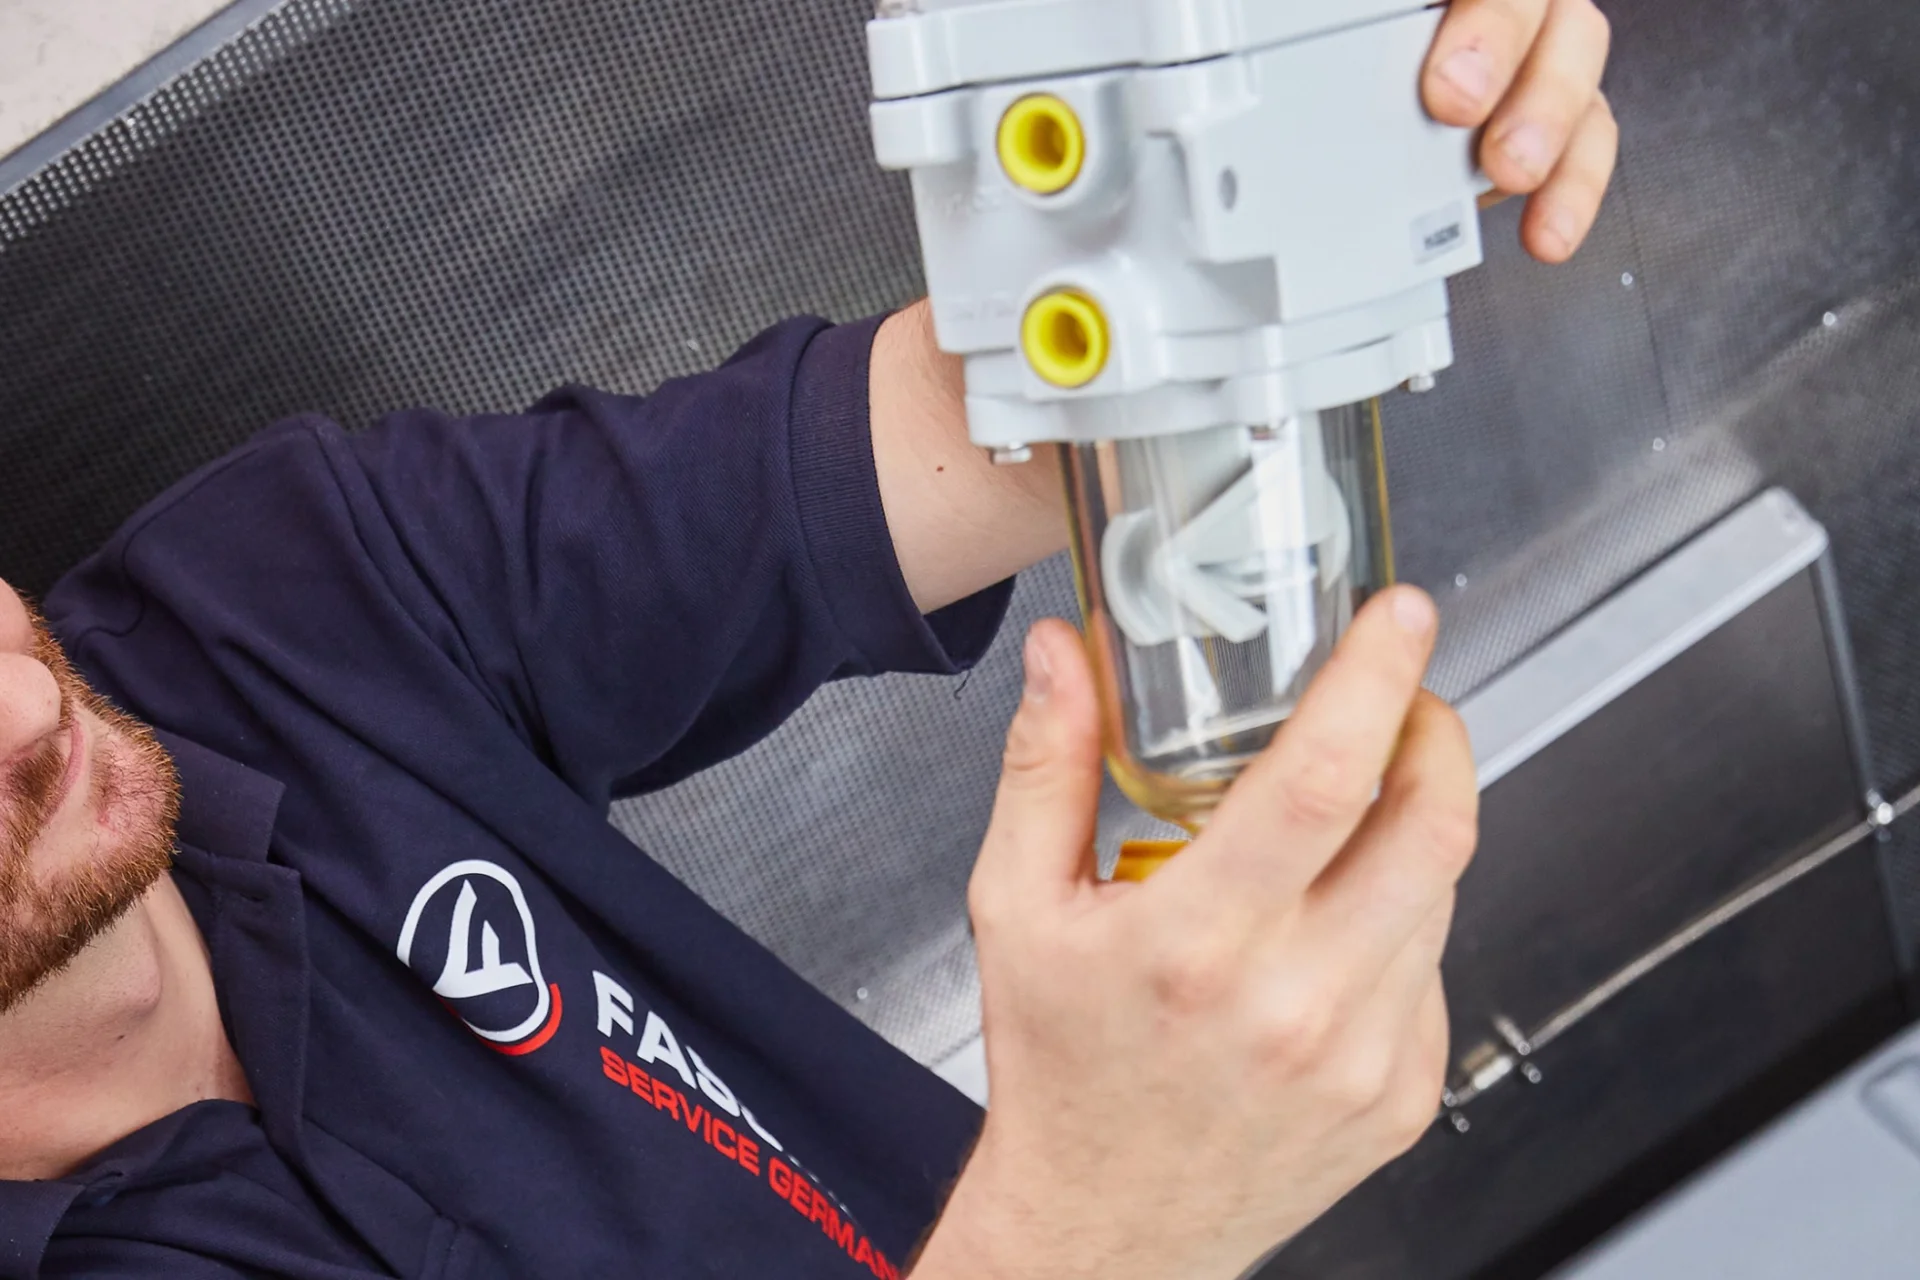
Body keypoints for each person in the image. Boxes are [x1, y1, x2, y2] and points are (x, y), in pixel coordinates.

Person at [0, 2, 1616, 1275]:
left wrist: (1303, 96)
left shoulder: (257, 613)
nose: (22, 703)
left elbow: (999, 410)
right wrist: (1095, 1239)